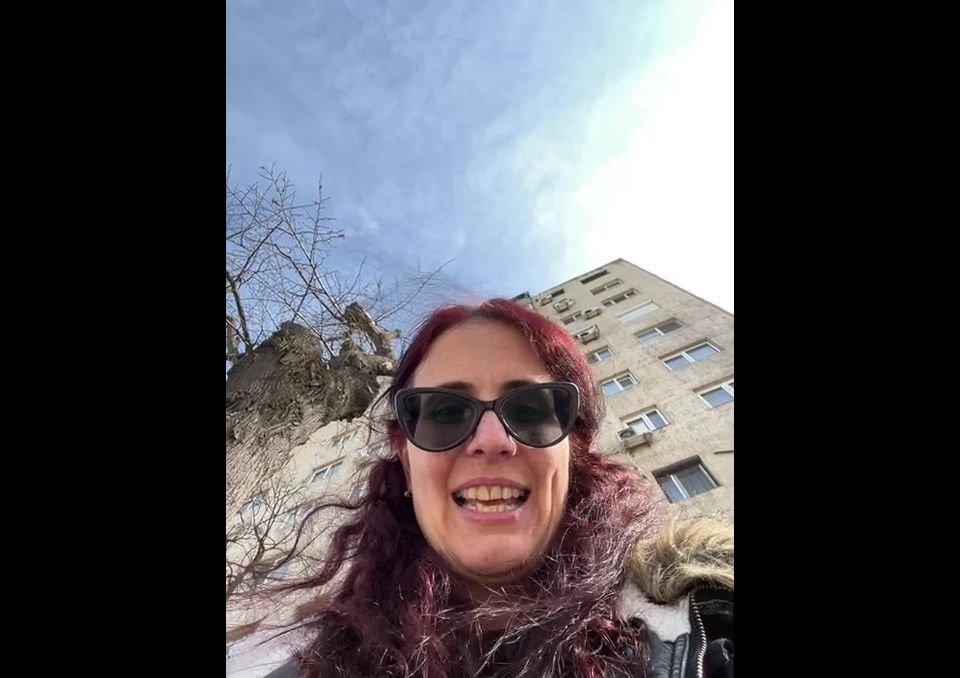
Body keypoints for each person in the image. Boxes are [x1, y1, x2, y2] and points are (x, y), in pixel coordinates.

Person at [230, 299, 733, 678]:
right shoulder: (300, 662)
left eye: (531, 409)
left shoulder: (712, 622)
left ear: (573, 453)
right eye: (446, 412)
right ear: (406, 463)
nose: (491, 440)